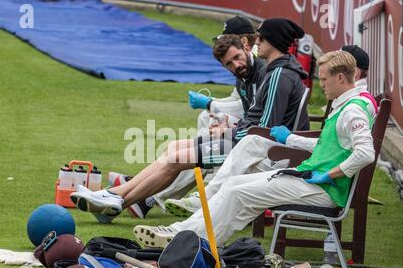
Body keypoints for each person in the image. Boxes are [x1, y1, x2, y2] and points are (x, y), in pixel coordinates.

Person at [70, 18, 309, 221]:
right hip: (248, 144)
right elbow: (255, 119)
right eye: (228, 64)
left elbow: (264, 128)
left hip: (256, 150)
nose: (257, 44)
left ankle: (122, 199)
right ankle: (115, 196)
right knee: (173, 149)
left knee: (176, 158)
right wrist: (230, 127)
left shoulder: (275, 74)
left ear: (249, 46)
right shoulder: (264, 73)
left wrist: (230, 131)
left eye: (261, 40)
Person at [133, 50, 376, 248]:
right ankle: (182, 236)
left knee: (238, 193)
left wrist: (331, 174)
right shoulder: (354, 103)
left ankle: (187, 241)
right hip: (313, 179)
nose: (321, 85)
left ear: (341, 78)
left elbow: (365, 153)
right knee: (232, 185)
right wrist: (291, 139)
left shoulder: (352, 110)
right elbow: (329, 145)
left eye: (323, 79)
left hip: (322, 187)